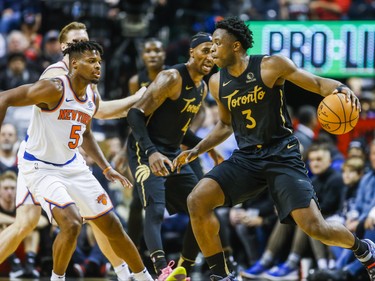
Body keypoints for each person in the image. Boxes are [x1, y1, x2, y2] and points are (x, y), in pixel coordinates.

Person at [172, 17, 374, 281]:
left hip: (281, 154)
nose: (212, 49)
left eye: (217, 43)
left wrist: (342, 88)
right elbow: (224, 125)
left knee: (316, 227)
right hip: (247, 158)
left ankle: (364, 249)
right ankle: (222, 276)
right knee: (197, 200)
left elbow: (314, 83)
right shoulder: (216, 82)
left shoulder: (270, 65)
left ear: (236, 46)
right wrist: (196, 149)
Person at [0, 21, 145, 281]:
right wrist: (135, 100)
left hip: (68, 161)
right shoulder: (54, 78)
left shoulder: (89, 81)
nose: (93, 56)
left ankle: (125, 272)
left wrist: (105, 166)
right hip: (38, 160)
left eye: (89, 44)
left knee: (103, 220)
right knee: (28, 223)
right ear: (67, 50)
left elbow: (87, 120)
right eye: (79, 44)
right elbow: (10, 98)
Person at [126, 32, 215, 280]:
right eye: (206, 50)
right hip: (144, 148)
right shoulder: (171, 77)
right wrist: (151, 152)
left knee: (202, 205)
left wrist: (210, 148)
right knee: (154, 209)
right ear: (192, 52)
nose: (211, 56)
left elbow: (180, 132)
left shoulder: (202, 87)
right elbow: (134, 115)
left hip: (172, 151)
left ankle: (184, 267)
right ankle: (162, 270)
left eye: (214, 51)